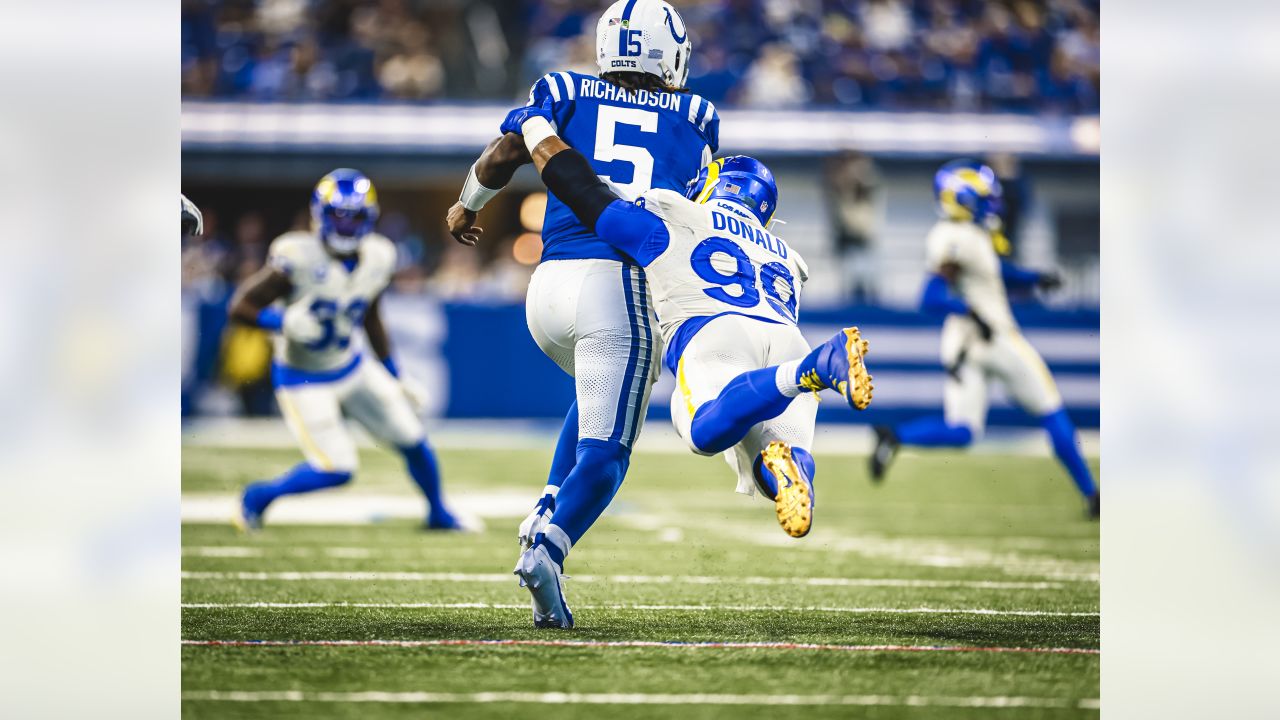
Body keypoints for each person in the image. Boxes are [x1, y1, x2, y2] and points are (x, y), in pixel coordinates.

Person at [499, 99, 875, 628]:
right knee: (781, 466)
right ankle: (799, 404)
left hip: (716, 333)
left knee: (703, 431)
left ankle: (811, 369)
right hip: (783, 335)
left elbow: (592, 202)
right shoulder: (788, 254)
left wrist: (538, 131)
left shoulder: (680, 212)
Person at [445, 0, 718, 588]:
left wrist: (467, 202)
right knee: (610, 452)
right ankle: (549, 546)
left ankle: (545, 503)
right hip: (619, 286)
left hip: (546, 289)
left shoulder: (563, 87)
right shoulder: (698, 114)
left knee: (593, 397)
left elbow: (505, 153)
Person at [227, 169, 462, 531]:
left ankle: (438, 514)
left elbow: (371, 315)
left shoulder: (379, 255)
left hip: (351, 366)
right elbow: (240, 307)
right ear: (319, 215)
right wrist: (283, 322)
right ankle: (257, 497)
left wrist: (394, 373)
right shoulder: (297, 255)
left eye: (355, 217)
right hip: (302, 378)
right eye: (339, 215)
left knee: (413, 437)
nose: (347, 226)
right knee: (336, 468)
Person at [869, 160, 1098, 518]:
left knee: (962, 432)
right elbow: (930, 296)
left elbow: (994, 270)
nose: (991, 202)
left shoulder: (969, 236)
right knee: (1051, 409)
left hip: (962, 346)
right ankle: (1091, 493)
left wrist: (1032, 278)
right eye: (983, 196)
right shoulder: (955, 237)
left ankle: (896, 438)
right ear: (963, 200)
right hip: (994, 337)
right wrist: (970, 309)